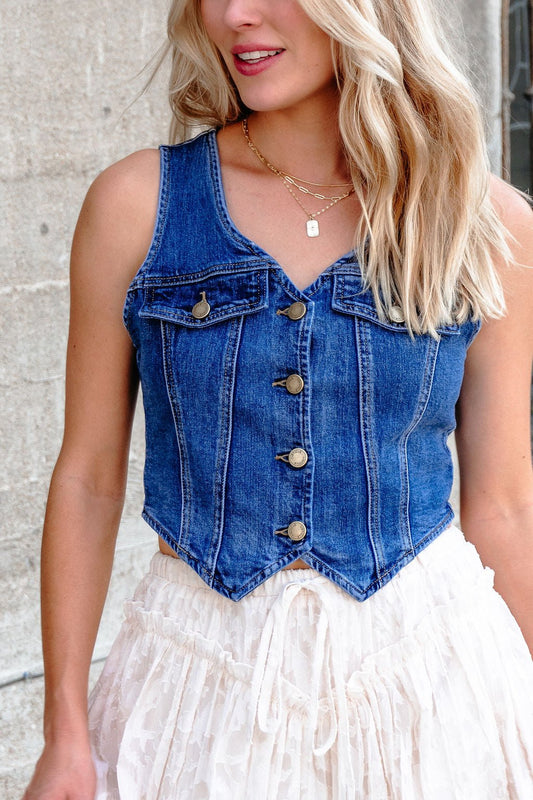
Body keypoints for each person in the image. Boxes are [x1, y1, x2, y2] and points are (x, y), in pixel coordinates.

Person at [23, 0, 533, 797]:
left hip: (430, 686)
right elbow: (88, 479)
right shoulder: (136, 206)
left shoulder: (480, 222)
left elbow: (502, 506)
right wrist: (65, 731)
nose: (234, 15)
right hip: (198, 688)